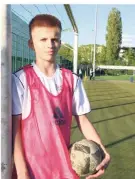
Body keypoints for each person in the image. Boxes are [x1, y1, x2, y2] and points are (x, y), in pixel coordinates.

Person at [12, 14, 110, 179]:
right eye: (43, 39)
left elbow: (83, 121)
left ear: (60, 42)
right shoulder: (20, 80)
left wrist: (102, 151)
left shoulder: (72, 80)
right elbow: (15, 132)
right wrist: (22, 173)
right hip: (32, 172)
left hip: (65, 172)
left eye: (54, 39)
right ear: (31, 44)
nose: (50, 45)